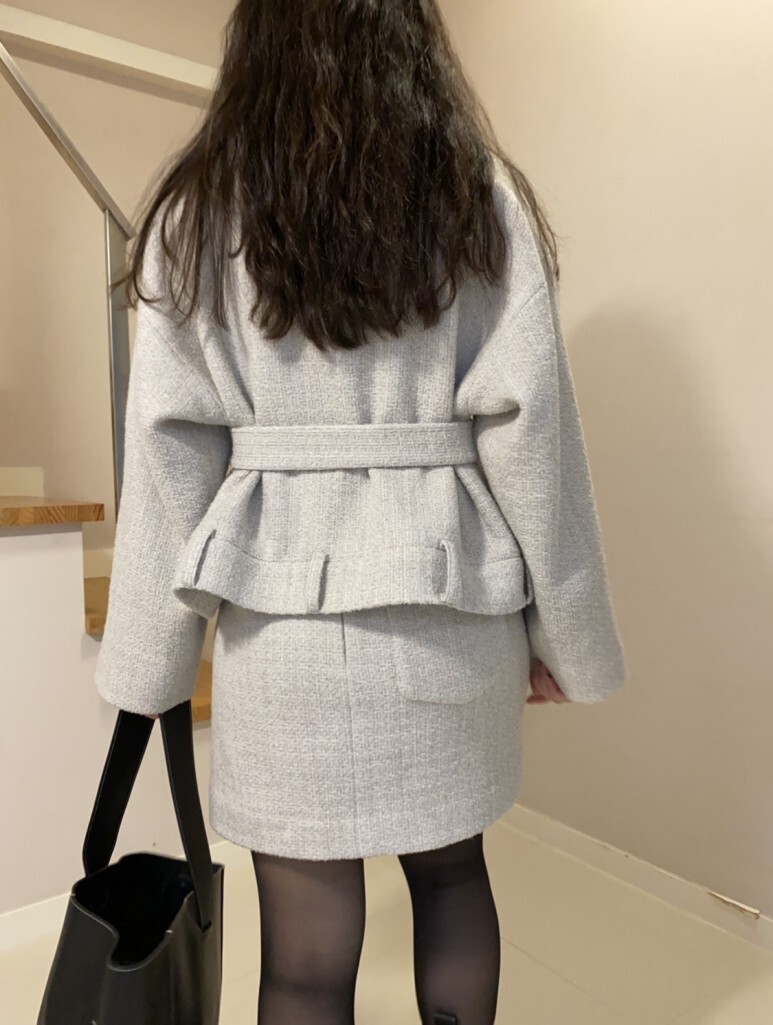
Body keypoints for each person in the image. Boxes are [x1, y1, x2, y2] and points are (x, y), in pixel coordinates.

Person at [95, 1, 626, 1023]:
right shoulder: (475, 194)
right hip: (446, 600)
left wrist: (150, 665)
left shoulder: (196, 213)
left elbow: (167, 457)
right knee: (453, 876)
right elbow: (534, 439)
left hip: (282, 626)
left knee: (302, 955)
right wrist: (563, 635)